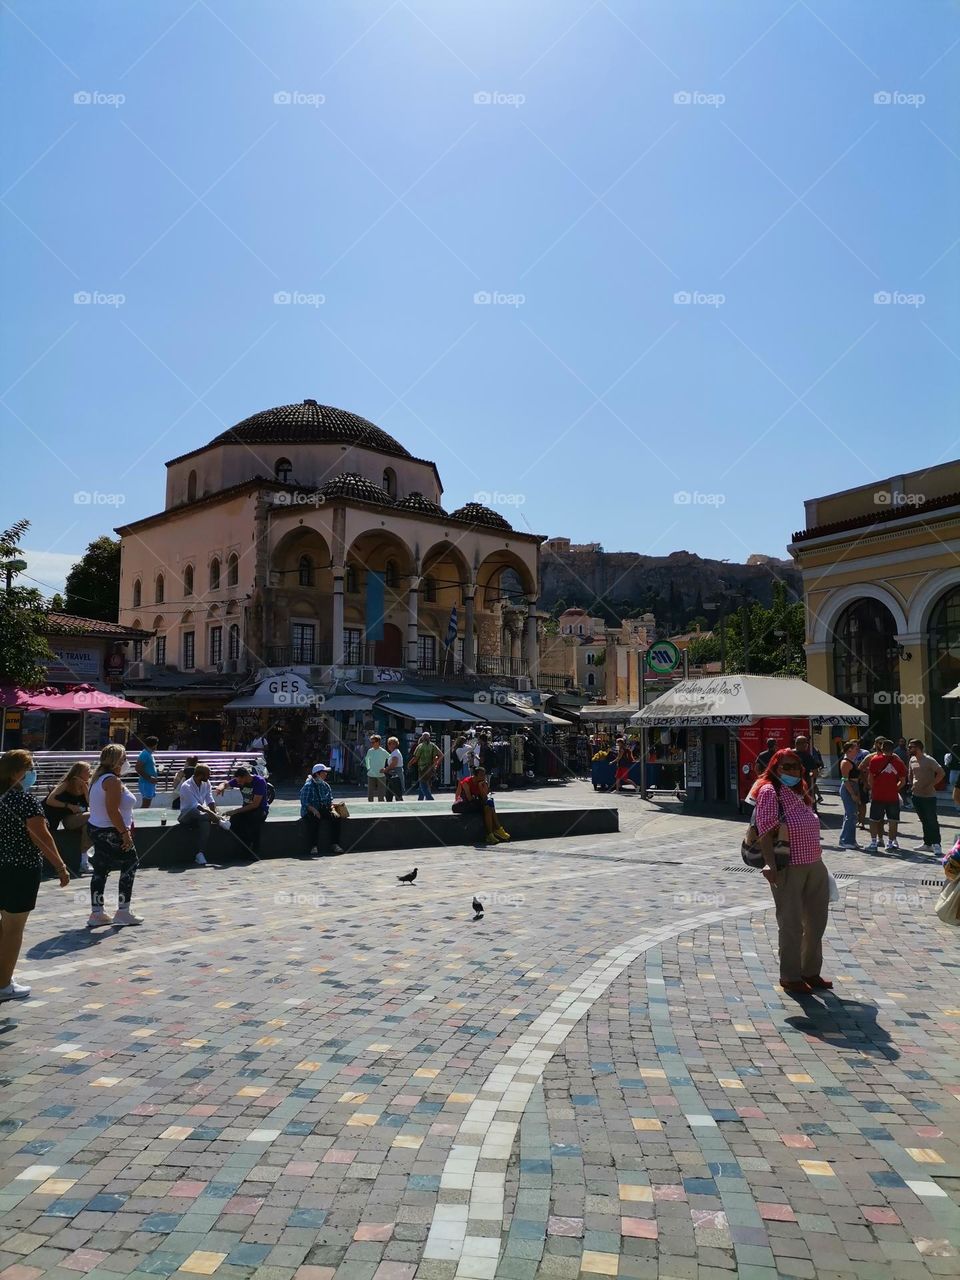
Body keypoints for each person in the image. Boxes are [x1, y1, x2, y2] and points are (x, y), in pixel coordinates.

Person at [753, 749, 831, 995]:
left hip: (814, 863)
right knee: (791, 923)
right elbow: (765, 830)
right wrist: (770, 864)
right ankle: (790, 975)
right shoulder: (770, 791)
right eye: (786, 767)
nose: (792, 771)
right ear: (775, 767)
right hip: (789, 866)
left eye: (796, 767)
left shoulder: (800, 790)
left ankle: (810, 971)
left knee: (816, 921)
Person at [0, 749, 72, 1002]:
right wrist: (61, 867)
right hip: (20, 870)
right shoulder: (25, 801)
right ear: (17, 773)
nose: (32, 773)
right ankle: (3, 985)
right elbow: (42, 837)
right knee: (13, 928)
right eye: (29, 768)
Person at [87, 743, 142, 927]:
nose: (127, 762)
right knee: (130, 864)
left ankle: (97, 913)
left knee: (100, 869)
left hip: (98, 829)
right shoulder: (112, 781)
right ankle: (123, 911)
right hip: (111, 831)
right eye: (125, 758)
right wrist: (124, 833)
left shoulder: (99, 779)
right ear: (117, 761)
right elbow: (112, 811)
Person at [43, 761, 93, 873]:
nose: (90, 773)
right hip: (67, 818)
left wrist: (85, 789)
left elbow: (91, 804)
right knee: (94, 816)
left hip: (80, 818)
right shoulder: (66, 784)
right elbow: (49, 800)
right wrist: (69, 806)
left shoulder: (86, 786)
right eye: (87, 771)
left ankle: (84, 861)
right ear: (79, 773)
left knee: (89, 826)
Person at [865, 738, 907, 852]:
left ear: (882, 748)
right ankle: (890, 843)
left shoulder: (875, 760)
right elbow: (903, 781)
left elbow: (870, 779)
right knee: (893, 820)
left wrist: (874, 789)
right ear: (893, 749)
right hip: (892, 796)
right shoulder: (898, 762)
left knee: (874, 819)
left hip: (878, 795)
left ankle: (874, 843)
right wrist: (894, 789)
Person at [178, 763, 220, 866]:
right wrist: (215, 817)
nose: (209, 776)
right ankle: (221, 822)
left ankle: (200, 853)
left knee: (205, 822)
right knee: (201, 813)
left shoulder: (207, 783)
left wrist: (214, 812)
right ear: (201, 775)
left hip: (202, 814)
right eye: (208, 774)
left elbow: (210, 799)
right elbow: (196, 806)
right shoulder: (186, 786)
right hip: (186, 814)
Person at [907, 739, 945, 855]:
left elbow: (941, 773)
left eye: (911, 747)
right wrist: (912, 784)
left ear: (918, 748)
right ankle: (927, 844)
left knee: (931, 820)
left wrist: (931, 785)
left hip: (929, 796)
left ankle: (936, 844)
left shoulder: (929, 760)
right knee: (924, 820)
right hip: (916, 795)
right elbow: (911, 774)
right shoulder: (912, 759)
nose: (909, 749)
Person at [455, 766, 510, 845]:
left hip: (474, 804)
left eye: (484, 775)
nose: (484, 777)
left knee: (489, 805)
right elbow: (469, 799)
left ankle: (491, 834)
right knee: (489, 805)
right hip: (462, 805)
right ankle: (497, 830)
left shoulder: (483, 783)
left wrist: (481, 787)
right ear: (475, 775)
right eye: (481, 775)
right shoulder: (466, 782)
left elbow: (485, 798)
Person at [224, 765, 269, 855]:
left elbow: (255, 804)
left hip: (259, 809)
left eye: (240, 781)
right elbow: (226, 784)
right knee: (234, 820)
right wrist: (220, 788)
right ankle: (243, 844)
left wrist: (235, 811)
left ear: (246, 777)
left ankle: (254, 848)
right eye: (238, 782)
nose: (239, 784)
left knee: (253, 820)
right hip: (246, 809)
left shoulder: (259, 781)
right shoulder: (239, 780)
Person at [299, 763, 344, 855]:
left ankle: (335, 844)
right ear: (317, 774)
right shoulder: (308, 786)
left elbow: (329, 800)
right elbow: (305, 802)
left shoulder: (326, 785)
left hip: (323, 809)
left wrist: (332, 808)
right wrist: (314, 810)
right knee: (314, 820)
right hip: (310, 810)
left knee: (336, 818)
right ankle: (313, 846)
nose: (326, 774)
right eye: (324, 772)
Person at [837, 740, 862, 851]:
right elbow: (845, 779)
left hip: (854, 786)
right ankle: (845, 840)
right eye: (855, 748)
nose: (858, 750)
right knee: (850, 814)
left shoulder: (852, 761)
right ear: (849, 750)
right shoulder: (845, 762)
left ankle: (851, 840)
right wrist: (852, 793)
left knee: (852, 814)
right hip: (848, 788)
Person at [411, 731, 442, 800]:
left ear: (422, 738)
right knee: (427, 783)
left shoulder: (420, 746)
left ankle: (429, 798)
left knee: (423, 783)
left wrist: (409, 764)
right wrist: (436, 764)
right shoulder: (433, 745)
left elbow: (415, 758)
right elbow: (441, 755)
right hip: (431, 768)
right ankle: (421, 798)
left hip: (422, 768)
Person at [793, 735, 820, 806]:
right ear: (803, 745)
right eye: (806, 743)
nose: (807, 745)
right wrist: (810, 775)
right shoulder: (807, 756)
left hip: (788, 785)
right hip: (803, 785)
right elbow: (815, 773)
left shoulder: (788, 754)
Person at [135, 735, 161, 809]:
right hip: (146, 783)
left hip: (148, 782)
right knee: (146, 805)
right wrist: (149, 778)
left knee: (147, 804)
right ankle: (140, 816)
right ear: (155, 745)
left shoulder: (149, 754)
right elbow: (137, 768)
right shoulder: (145, 754)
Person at [364, 734, 389, 802]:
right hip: (371, 775)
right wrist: (368, 768)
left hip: (381, 775)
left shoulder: (383, 751)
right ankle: (370, 807)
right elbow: (367, 759)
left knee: (381, 795)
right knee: (370, 795)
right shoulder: (370, 751)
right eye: (371, 742)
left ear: (378, 742)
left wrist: (386, 769)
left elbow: (391, 759)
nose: (372, 744)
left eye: (373, 742)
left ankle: (381, 808)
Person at [384, 736, 405, 801]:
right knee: (389, 794)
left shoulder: (395, 753)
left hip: (396, 775)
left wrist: (386, 769)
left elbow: (393, 764)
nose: (389, 745)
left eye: (392, 744)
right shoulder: (393, 753)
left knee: (397, 794)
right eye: (389, 743)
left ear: (395, 745)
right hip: (393, 775)